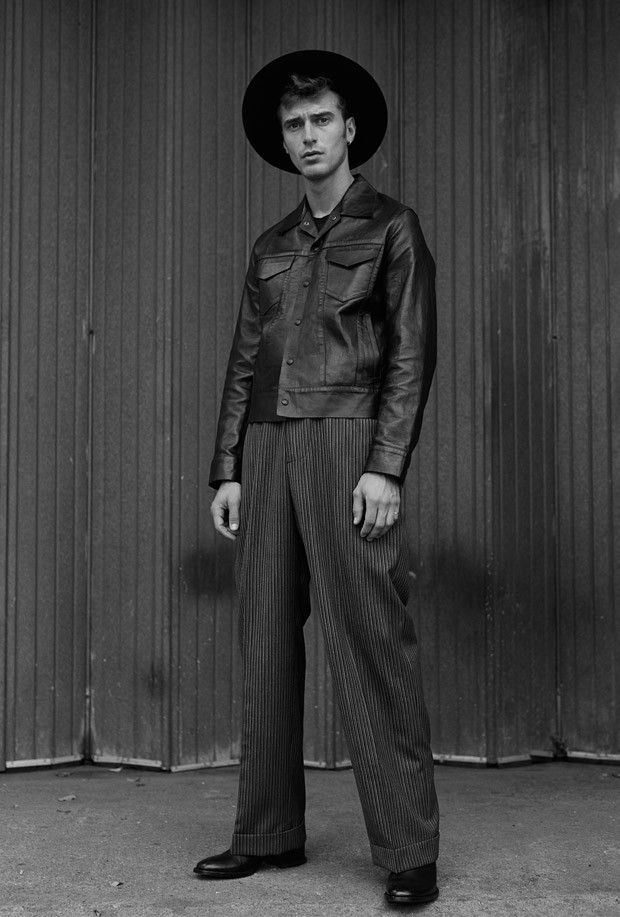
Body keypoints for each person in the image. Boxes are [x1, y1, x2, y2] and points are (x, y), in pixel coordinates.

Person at [194, 49, 439, 906]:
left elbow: (410, 355)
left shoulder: (392, 227)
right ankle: (266, 832)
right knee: (264, 637)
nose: (308, 136)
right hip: (267, 445)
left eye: (321, 120)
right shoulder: (270, 245)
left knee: (370, 635)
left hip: (347, 441)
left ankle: (408, 848)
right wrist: (227, 468)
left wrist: (386, 465)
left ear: (350, 129)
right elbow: (243, 360)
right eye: (295, 125)